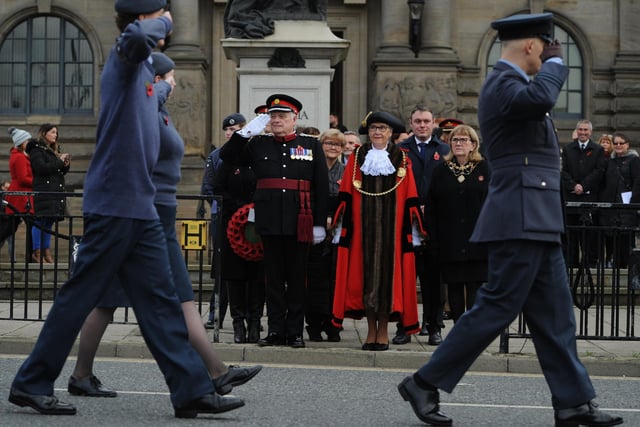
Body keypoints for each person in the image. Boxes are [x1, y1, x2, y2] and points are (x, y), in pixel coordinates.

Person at [9, 1, 244, 417]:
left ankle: (191, 389)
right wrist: (164, 18)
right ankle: (31, 382)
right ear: (141, 19)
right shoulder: (125, 58)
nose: (165, 28)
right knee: (80, 296)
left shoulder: (144, 78)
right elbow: (137, 39)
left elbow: (150, 106)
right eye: (158, 18)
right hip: (116, 204)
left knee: (159, 302)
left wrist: (167, 87)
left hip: (141, 208)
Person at [398, 13, 623, 427]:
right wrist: (557, 66)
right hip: (519, 214)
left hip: (535, 215)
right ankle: (424, 381)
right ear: (532, 47)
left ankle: (573, 402)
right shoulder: (503, 83)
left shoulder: (513, 85)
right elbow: (542, 99)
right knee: (498, 306)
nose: (550, 57)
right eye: (547, 50)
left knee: (556, 315)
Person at [68, 51, 261, 398]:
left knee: (183, 298)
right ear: (154, 81)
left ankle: (216, 371)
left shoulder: (158, 113)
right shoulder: (138, 114)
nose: (174, 83)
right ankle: (80, 374)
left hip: (160, 219)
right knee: (107, 301)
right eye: (169, 77)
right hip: (137, 219)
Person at [220, 93, 329, 349]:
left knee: (297, 278)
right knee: (273, 280)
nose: (277, 120)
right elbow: (228, 156)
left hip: (299, 221)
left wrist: (319, 223)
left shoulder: (310, 145)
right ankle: (276, 331)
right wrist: (245, 133)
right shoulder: (258, 144)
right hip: (269, 221)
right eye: (273, 116)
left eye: (282, 116)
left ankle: (295, 332)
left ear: (294, 119)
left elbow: (321, 187)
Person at [331, 111, 424, 351]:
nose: (378, 132)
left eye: (382, 128)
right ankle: (370, 330)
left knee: (389, 282)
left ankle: (383, 331)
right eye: (374, 128)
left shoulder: (401, 158)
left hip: (392, 231)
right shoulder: (358, 156)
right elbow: (346, 192)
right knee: (363, 279)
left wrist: (413, 230)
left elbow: (410, 193)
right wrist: (341, 226)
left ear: (391, 133)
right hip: (362, 231)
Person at [394, 106, 450, 346]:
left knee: (433, 279)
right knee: (406, 277)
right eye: (418, 121)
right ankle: (404, 327)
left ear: (433, 123)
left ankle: (434, 326)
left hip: (435, 221)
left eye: (427, 121)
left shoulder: (445, 150)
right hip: (407, 220)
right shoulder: (399, 150)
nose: (422, 125)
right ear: (411, 123)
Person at [424, 125, 489, 323]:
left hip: (477, 240)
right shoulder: (441, 171)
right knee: (453, 288)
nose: (458, 144)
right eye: (455, 140)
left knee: (474, 289)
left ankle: (474, 332)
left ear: (473, 145)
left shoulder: (485, 168)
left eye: (463, 140)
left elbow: (493, 204)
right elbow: (432, 205)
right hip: (449, 240)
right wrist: (433, 237)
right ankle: (459, 331)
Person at [214, 154, 265, 344]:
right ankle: (238, 323)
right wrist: (239, 208)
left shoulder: (261, 159)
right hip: (232, 225)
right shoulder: (228, 163)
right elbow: (217, 188)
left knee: (257, 276)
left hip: (258, 223)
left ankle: (254, 322)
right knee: (234, 275)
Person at [202, 112, 246, 329]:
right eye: (227, 130)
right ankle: (215, 313)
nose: (230, 133)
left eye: (235, 129)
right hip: (222, 216)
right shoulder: (216, 155)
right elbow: (208, 188)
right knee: (220, 268)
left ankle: (247, 315)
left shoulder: (250, 153)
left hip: (246, 217)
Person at [305, 128, 345, 342]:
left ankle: (333, 324)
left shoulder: (346, 171)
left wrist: (336, 220)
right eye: (328, 143)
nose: (332, 147)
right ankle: (313, 324)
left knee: (336, 279)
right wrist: (321, 220)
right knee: (315, 279)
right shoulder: (312, 168)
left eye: (337, 145)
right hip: (315, 229)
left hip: (337, 231)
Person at [561, 119, 605, 267]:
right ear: (577, 130)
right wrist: (573, 185)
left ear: (590, 132)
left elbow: (599, 171)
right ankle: (571, 265)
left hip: (589, 199)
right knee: (571, 237)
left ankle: (588, 266)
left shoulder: (598, 150)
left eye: (586, 130)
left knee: (588, 237)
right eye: (580, 129)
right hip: (571, 199)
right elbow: (564, 171)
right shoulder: (568, 149)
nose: (583, 133)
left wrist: (583, 186)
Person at [26, 124, 70, 264]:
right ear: (44, 133)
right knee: (40, 222)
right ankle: (37, 252)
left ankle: (46, 252)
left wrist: (65, 165)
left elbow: (57, 172)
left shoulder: (51, 149)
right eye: (52, 132)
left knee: (49, 222)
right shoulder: (36, 150)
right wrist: (59, 161)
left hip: (54, 192)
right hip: (45, 191)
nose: (55, 135)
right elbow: (41, 169)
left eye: (56, 132)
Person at [599, 132, 640, 268]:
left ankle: (625, 270)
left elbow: (637, 182)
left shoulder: (634, 161)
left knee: (625, 242)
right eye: (615, 143)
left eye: (621, 143)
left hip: (627, 208)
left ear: (627, 145)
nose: (618, 146)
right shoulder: (609, 161)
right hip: (611, 209)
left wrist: (633, 203)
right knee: (611, 241)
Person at [2, 128, 34, 257]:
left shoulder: (19, 155)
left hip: (21, 195)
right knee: (11, 227)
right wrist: (37, 182)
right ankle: (30, 257)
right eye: (28, 140)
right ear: (22, 142)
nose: (30, 142)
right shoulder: (20, 157)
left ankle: (30, 257)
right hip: (20, 196)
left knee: (11, 227)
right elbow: (22, 178)